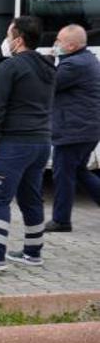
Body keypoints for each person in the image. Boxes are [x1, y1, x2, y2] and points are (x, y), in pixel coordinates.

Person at [0, 16, 56, 273]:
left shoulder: (10, 67)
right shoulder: (48, 67)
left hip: (12, 143)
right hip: (41, 143)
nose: (7, 40)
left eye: (9, 35)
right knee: (31, 198)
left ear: (18, 40)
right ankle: (33, 253)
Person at [44, 24, 100, 233]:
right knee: (78, 171)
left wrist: (49, 59)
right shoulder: (86, 58)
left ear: (72, 45)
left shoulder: (73, 65)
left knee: (63, 174)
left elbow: (49, 84)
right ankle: (61, 219)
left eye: (59, 40)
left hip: (74, 130)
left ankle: (61, 220)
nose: (55, 43)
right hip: (85, 128)